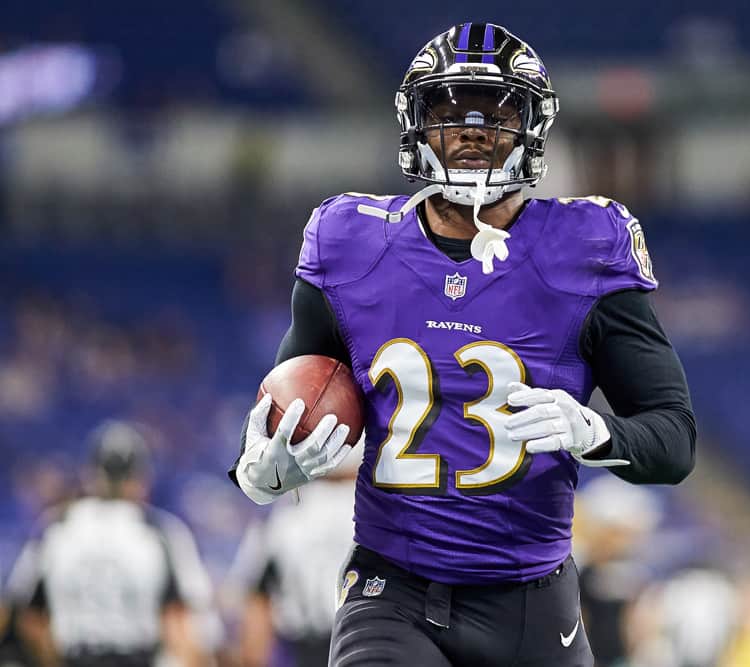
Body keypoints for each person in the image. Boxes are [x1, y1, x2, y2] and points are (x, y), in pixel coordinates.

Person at [229, 22, 697, 667]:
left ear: (531, 129)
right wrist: (257, 469)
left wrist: (596, 433)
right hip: (389, 588)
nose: (472, 130)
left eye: (496, 112)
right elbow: (297, 395)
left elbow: (673, 440)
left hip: (530, 599)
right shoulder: (349, 243)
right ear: (416, 126)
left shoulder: (585, 248)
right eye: (449, 110)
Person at [5, 421, 213, 667]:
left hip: (75, 658)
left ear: (90, 473)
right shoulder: (160, 531)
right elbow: (179, 626)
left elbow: (27, 616)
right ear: (141, 477)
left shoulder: (56, 527)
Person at [229, 446, 361, 666]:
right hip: (372, 639)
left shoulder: (283, 514)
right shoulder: (383, 511)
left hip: (306, 648)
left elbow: (258, 605)